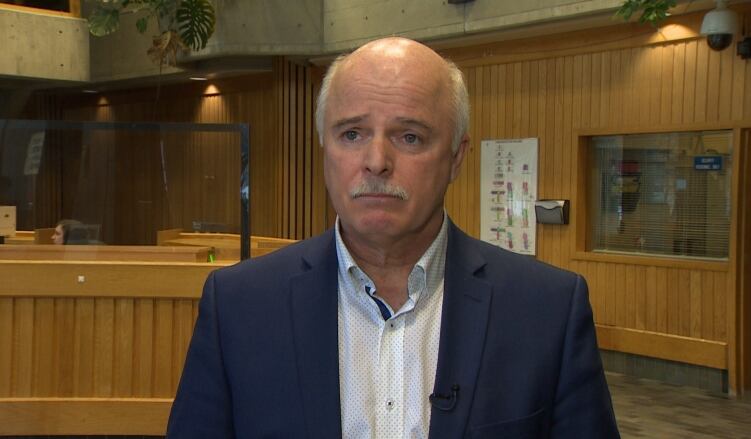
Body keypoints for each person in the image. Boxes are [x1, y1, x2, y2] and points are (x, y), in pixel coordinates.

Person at [168, 37, 619, 438]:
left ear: (456, 157)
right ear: (325, 148)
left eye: (409, 136)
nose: (376, 161)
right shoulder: (238, 305)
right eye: (352, 133)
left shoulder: (547, 309)